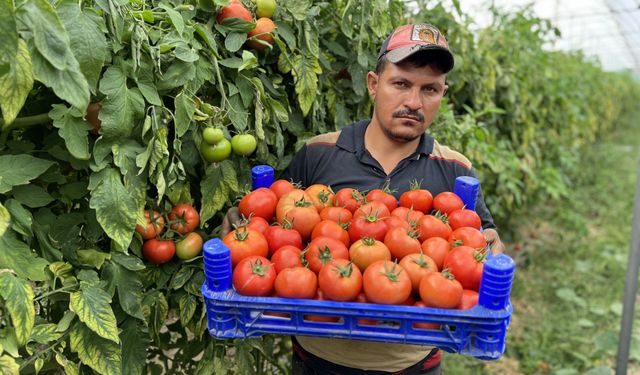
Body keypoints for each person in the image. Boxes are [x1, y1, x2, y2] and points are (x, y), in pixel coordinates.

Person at [222, 23, 505, 374]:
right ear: (373, 84)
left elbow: (486, 237)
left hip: (413, 364)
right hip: (318, 359)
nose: (413, 102)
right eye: (400, 83)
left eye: (429, 89)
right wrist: (242, 226)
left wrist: (493, 251)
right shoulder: (318, 153)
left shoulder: (454, 169)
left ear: (442, 95)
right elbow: (279, 232)